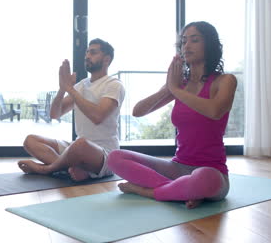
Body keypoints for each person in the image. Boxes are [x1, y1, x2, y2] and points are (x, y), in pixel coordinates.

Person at [107, 21, 237, 209]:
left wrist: (175, 89)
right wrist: (168, 88)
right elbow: (138, 111)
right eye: (184, 41)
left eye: (194, 40)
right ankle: (182, 190)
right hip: (177, 168)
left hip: (212, 172)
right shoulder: (178, 85)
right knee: (115, 157)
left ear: (209, 44)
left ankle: (149, 191)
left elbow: (214, 111)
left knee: (204, 179)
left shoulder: (225, 81)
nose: (187, 45)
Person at [18, 38, 125, 181]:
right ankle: (71, 170)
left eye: (93, 53)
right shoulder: (82, 85)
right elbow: (55, 114)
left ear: (106, 59)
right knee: (30, 141)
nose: (87, 56)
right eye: (87, 52)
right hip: (78, 148)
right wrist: (62, 90)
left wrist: (70, 90)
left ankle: (46, 169)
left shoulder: (114, 85)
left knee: (80, 144)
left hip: (104, 153)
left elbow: (97, 117)